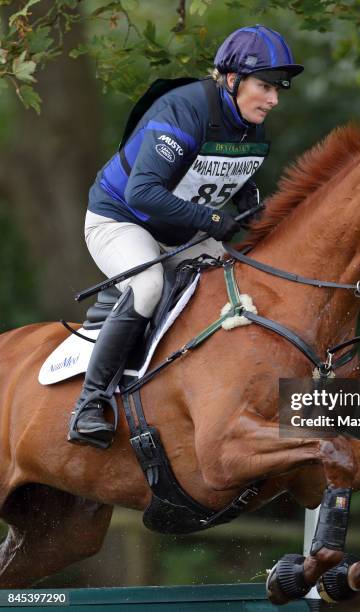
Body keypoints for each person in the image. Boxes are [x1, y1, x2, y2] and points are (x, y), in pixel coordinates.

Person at [68, 25, 304, 449]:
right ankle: (89, 403)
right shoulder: (183, 112)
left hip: (179, 232)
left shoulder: (251, 129)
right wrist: (213, 222)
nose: (273, 99)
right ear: (232, 79)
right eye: (264, 86)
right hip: (120, 220)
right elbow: (142, 193)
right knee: (148, 284)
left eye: (277, 89)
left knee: (237, 287)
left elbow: (238, 190)